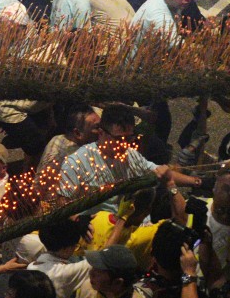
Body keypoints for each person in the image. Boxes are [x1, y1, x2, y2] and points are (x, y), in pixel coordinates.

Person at [58, 105, 200, 211]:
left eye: (130, 138)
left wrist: (195, 182)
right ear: (101, 133)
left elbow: (159, 172)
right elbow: (62, 205)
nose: (125, 144)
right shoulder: (76, 163)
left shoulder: (130, 155)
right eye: (120, 139)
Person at [28, 218, 93, 298]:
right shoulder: (61, 273)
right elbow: (98, 261)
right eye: (75, 246)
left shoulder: (31, 266)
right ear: (66, 249)